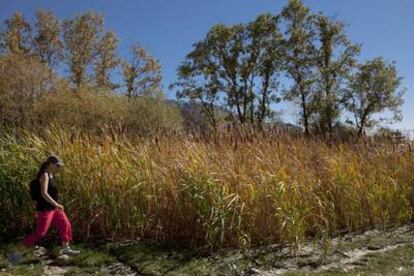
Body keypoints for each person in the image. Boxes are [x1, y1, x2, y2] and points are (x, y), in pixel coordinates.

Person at [8, 155, 80, 265]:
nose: (59, 168)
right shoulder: (45, 175)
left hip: (54, 208)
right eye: (57, 165)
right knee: (40, 233)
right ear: (50, 164)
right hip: (45, 209)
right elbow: (44, 194)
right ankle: (15, 255)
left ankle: (66, 248)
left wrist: (56, 205)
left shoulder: (50, 175)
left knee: (65, 224)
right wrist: (56, 203)